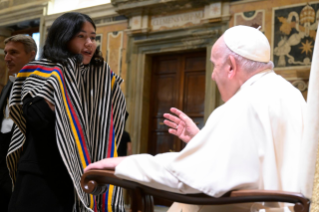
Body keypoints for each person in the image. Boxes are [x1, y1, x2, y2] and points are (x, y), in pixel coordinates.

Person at [85, 26, 306, 211]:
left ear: (231, 66)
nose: (212, 75)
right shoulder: (291, 95)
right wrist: (201, 140)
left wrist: (125, 163)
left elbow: (185, 178)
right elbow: (254, 161)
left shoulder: (242, 104)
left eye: (214, 65)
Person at [7, 12, 126, 211]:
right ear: (63, 37)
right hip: (43, 175)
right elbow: (39, 121)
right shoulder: (40, 71)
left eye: (93, 37)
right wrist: (61, 89)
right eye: (81, 36)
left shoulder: (101, 79)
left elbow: (112, 125)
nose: (89, 43)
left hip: (86, 174)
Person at [0, 35, 37, 212]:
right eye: (6, 53)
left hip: (21, 165)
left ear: (32, 55)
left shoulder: (41, 87)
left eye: (13, 53)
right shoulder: (9, 82)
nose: (7, 58)